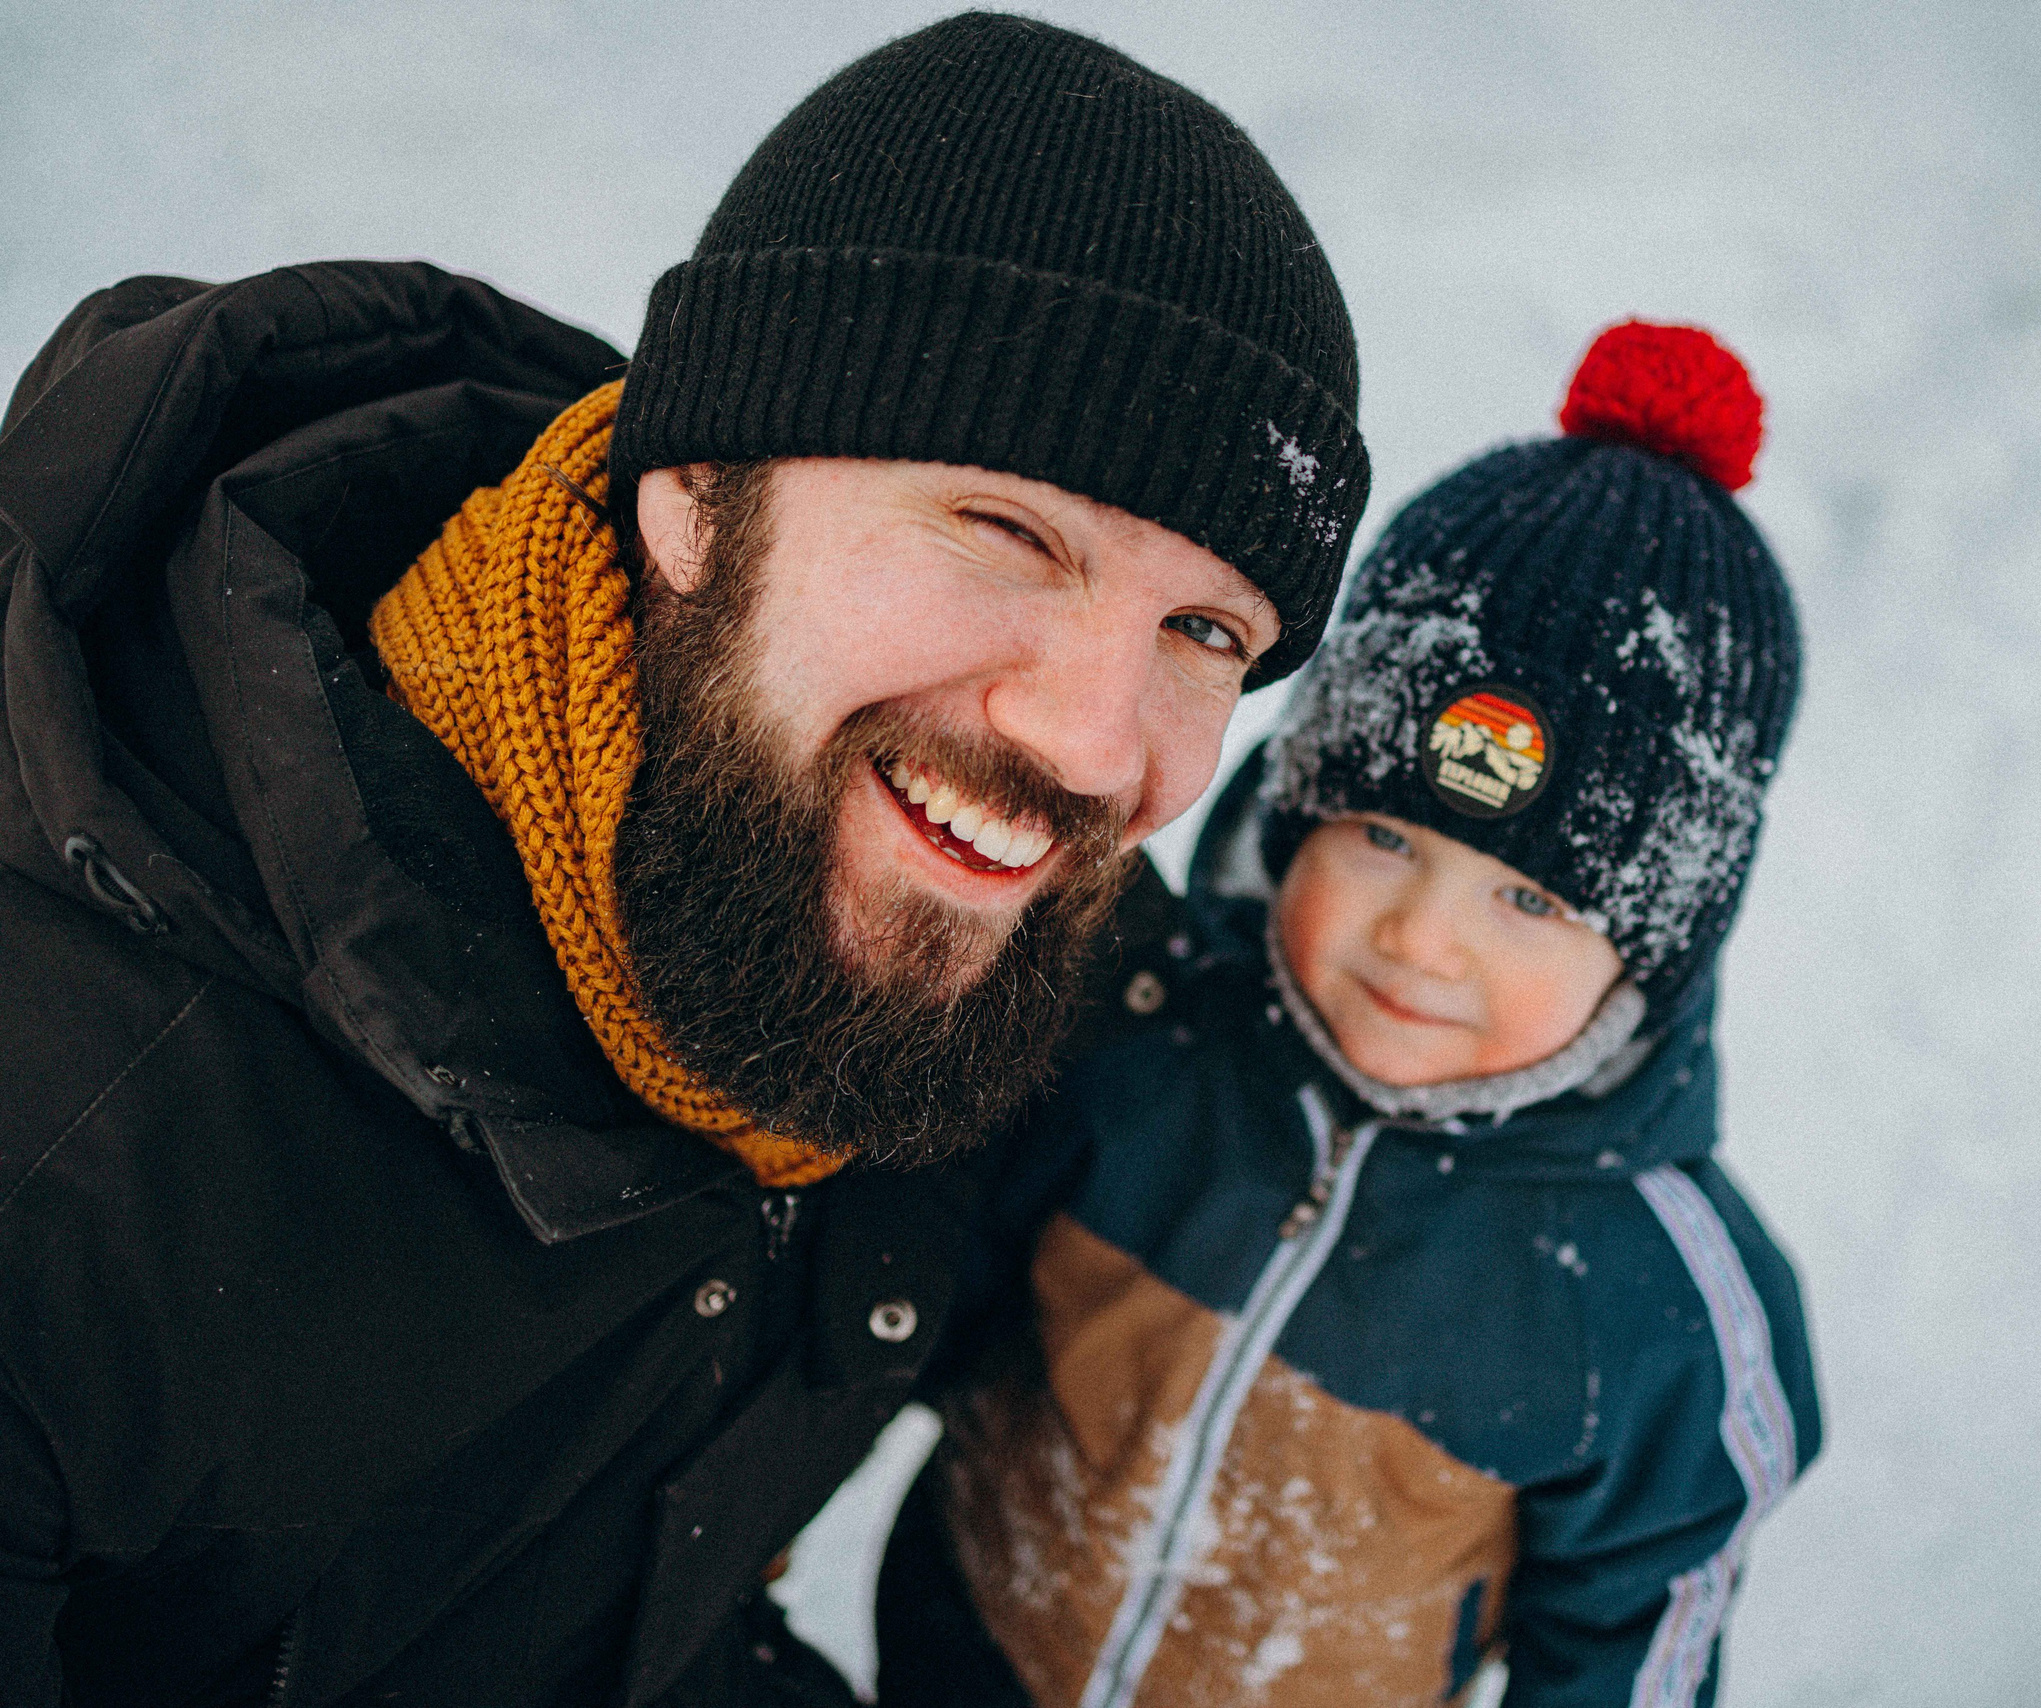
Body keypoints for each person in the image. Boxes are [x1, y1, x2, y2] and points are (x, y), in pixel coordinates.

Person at [0, 13, 1366, 1703]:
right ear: (696, 496)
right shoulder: (67, 1162)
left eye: (1206, 629)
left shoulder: (939, 928)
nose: (1095, 746)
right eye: (1005, 530)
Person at [879, 322, 1823, 1708]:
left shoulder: (1663, 1306)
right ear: (1293, 810)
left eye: (1533, 905)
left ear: (1655, 956)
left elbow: (1633, 1645)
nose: (1420, 941)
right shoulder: (1132, 1034)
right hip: (960, 1659)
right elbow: (897, 1299)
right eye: (1383, 836)